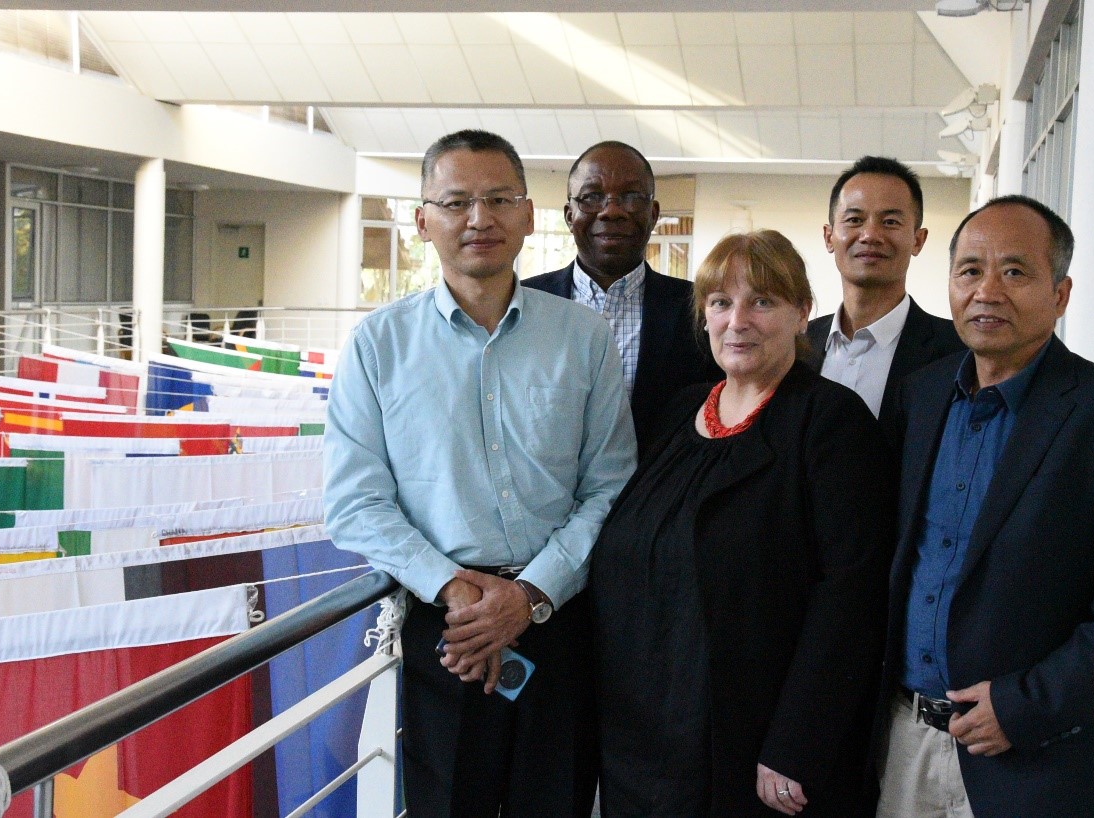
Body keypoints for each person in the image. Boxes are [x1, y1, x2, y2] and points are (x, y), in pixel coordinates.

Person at [324, 129, 636, 817]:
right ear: (422, 220)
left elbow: (610, 486)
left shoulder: (583, 338)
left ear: (528, 216)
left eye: (499, 199)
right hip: (448, 635)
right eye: (456, 201)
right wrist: (459, 593)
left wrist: (528, 595)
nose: (479, 219)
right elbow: (355, 502)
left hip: (559, 623)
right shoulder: (378, 346)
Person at [878, 195, 1094, 817]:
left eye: (1015, 272)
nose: (987, 290)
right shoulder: (921, 396)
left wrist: (1025, 707)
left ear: (1061, 293)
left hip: (1035, 759)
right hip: (902, 741)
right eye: (970, 271)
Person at [592, 230, 896, 816]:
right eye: (721, 303)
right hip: (644, 740)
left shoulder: (832, 425)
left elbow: (851, 598)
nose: (738, 321)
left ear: (803, 313)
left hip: (754, 750)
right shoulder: (677, 412)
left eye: (763, 301)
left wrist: (796, 744)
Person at [523, 141, 720, 455]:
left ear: (653, 214)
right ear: (569, 215)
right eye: (591, 197)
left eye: (630, 197)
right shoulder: (523, 303)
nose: (611, 210)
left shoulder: (699, 308)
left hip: (660, 497)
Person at [811, 156, 964, 423]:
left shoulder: (957, 351)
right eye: (854, 219)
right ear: (829, 237)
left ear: (918, 240)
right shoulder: (795, 345)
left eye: (890, 222)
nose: (870, 235)